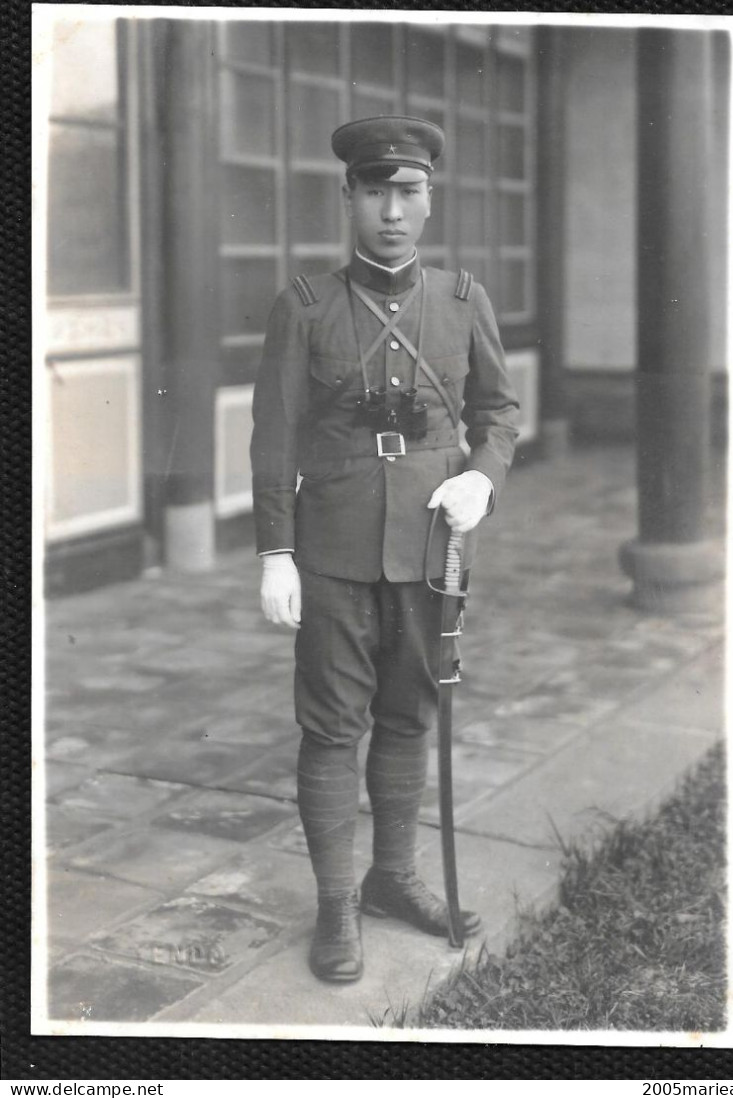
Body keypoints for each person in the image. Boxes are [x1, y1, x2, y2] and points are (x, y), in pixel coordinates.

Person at [250, 116, 520, 983]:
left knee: (410, 716)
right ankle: (336, 907)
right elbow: (272, 439)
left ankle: (393, 879)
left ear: (429, 201)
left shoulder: (463, 300)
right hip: (330, 551)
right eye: (375, 192)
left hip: (434, 548)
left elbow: (498, 414)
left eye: (407, 193)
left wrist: (482, 476)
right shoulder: (305, 308)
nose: (391, 212)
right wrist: (274, 553)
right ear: (349, 199)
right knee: (332, 730)